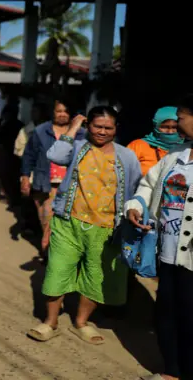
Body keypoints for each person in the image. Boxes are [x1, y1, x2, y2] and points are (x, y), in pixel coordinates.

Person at [27, 107, 141, 345]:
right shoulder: (77, 146)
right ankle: (51, 322)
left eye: (108, 128)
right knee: (57, 270)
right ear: (88, 125)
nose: (102, 132)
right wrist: (73, 127)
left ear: (116, 129)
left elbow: (134, 188)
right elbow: (55, 156)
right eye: (97, 126)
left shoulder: (127, 156)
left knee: (95, 275)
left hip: (107, 228)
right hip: (69, 222)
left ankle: (81, 322)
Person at [126, 96, 193, 380]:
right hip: (168, 250)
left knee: (190, 315)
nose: (176, 123)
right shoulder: (176, 155)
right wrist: (136, 205)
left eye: (181, 118)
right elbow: (149, 185)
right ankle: (172, 371)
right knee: (167, 311)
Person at [21, 99, 86, 251]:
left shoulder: (81, 133)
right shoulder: (40, 131)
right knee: (47, 220)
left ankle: (55, 253)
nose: (62, 115)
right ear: (52, 112)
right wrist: (25, 177)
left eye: (66, 111)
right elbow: (29, 155)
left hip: (71, 184)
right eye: (59, 111)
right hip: (45, 183)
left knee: (65, 223)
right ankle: (50, 252)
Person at [127, 106, 183, 176]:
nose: (170, 132)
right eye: (165, 127)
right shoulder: (138, 146)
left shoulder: (187, 149)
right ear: (155, 126)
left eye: (175, 127)